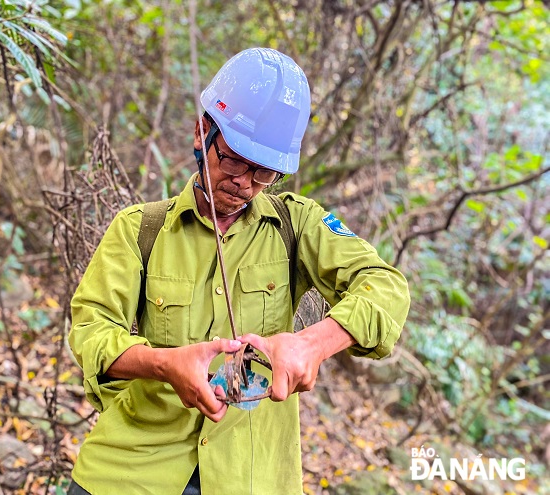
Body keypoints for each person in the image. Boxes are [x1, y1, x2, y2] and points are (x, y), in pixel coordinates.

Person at [67, 47, 410, 495]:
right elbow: (92, 330)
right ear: (201, 133)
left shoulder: (298, 224)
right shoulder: (140, 229)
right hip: (132, 470)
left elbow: (386, 286)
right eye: (231, 159)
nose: (244, 182)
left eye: (263, 172)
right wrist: (165, 364)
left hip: (250, 476)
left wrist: (312, 344)